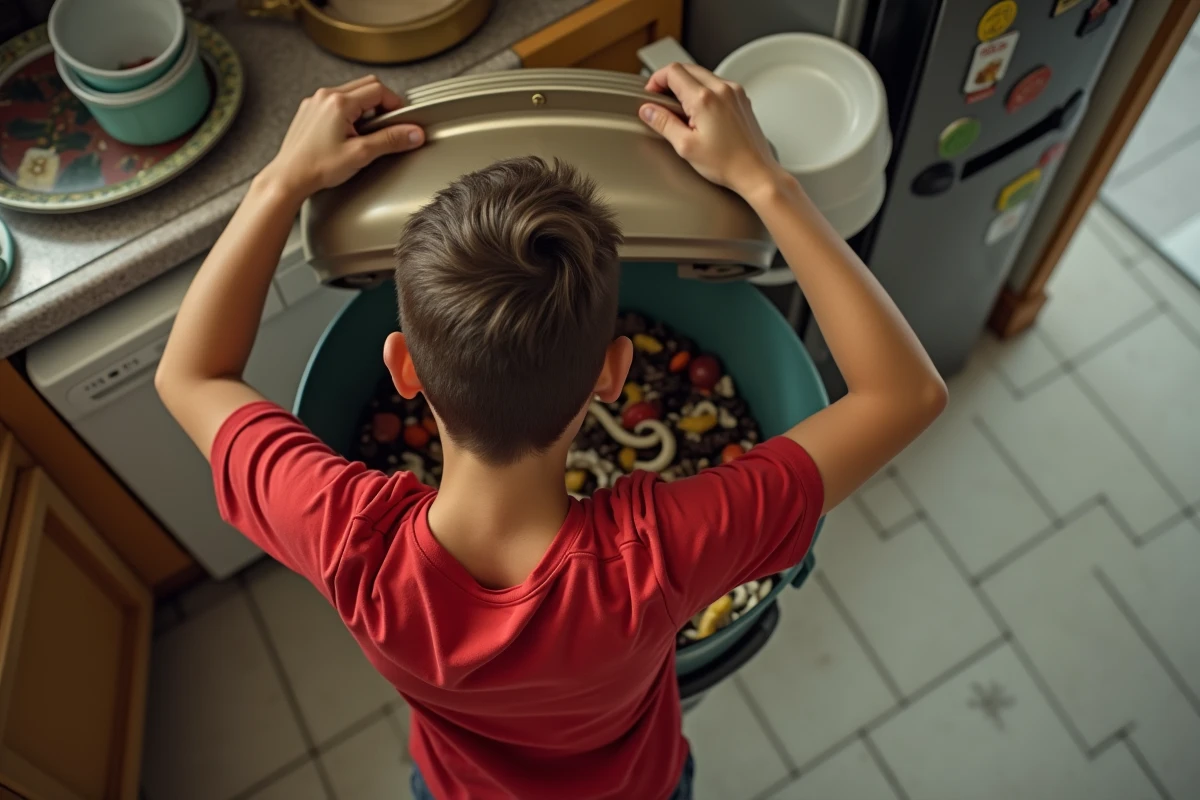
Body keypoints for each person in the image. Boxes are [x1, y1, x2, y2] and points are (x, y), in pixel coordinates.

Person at [156, 64, 946, 800]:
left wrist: (281, 182)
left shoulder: (346, 536)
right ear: (612, 374)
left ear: (403, 369)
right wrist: (763, 181)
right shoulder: (660, 556)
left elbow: (190, 375)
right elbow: (903, 393)